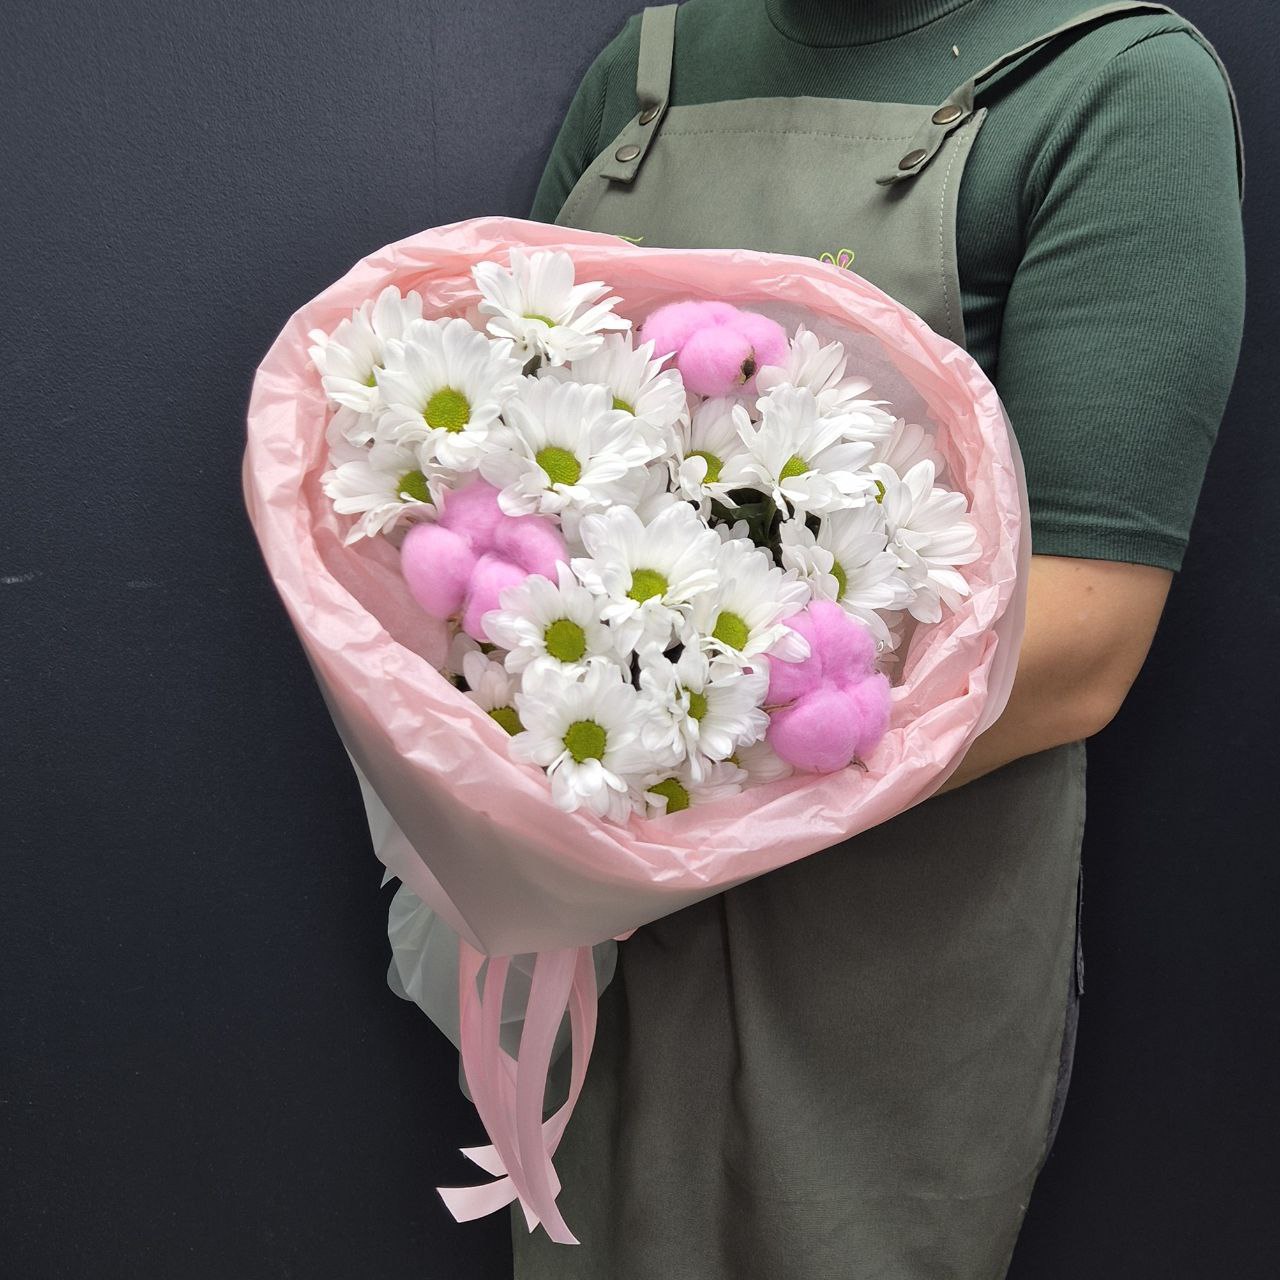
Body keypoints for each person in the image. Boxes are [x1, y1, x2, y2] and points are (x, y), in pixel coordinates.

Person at [517, 2, 1246, 1275]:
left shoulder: (1115, 88)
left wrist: (671, 792)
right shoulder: (651, 67)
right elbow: (516, 465)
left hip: (883, 930)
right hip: (600, 906)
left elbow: (1078, 644)